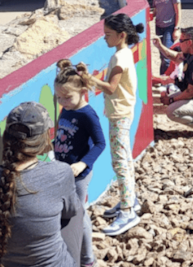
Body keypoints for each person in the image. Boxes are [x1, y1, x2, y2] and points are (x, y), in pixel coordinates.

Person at [0, 102, 82, 267]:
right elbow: (71, 212)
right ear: (45, 138)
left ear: (6, 138)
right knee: (75, 211)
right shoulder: (59, 173)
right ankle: (87, 262)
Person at [80, 14, 143, 235]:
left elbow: (110, 88)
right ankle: (131, 199)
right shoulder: (125, 53)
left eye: (108, 35)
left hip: (119, 114)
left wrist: (88, 78)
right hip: (124, 111)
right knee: (125, 158)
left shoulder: (119, 58)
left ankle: (127, 212)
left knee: (120, 162)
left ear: (121, 35)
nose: (104, 39)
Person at [53, 59, 107, 267]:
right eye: (59, 97)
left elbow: (100, 144)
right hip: (63, 170)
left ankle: (87, 259)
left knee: (79, 215)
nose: (62, 102)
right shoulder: (67, 108)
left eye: (67, 97)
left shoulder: (87, 115)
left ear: (83, 91)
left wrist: (83, 164)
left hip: (78, 175)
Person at [152, 0, 182, 75]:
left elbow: (178, 11)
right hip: (158, 26)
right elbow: (156, 9)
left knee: (167, 55)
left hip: (170, 26)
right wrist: (151, 15)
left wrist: (176, 28)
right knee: (162, 55)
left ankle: (167, 80)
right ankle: (163, 77)